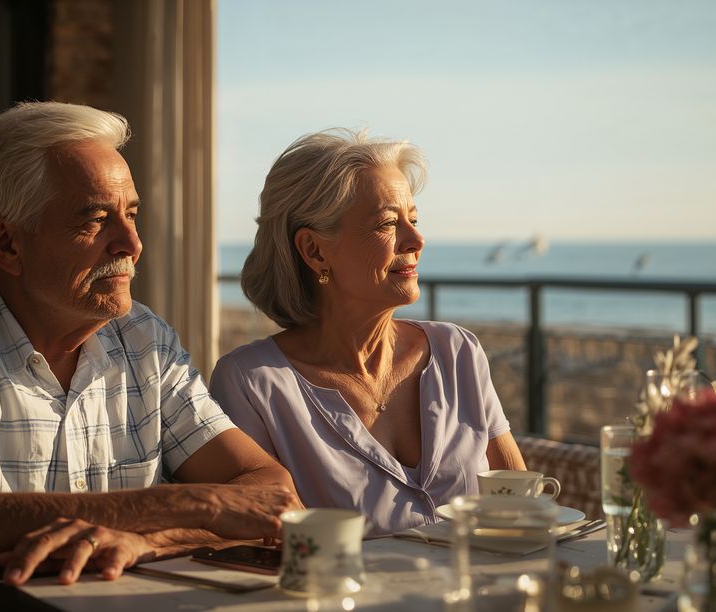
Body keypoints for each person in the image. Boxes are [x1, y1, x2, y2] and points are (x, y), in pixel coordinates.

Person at [0, 102, 301, 611]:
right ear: (6, 242)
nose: (131, 243)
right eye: (96, 219)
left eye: (131, 214)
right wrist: (201, 505)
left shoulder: (145, 338)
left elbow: (269, 491)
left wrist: (147, 540)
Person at [208, 129, 525, 535]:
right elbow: (257, 541)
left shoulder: (458, 352)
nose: (416, 239)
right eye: (388, 223)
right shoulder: (252, 385)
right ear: (314, 251)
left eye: (413, 219)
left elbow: (520, 505)